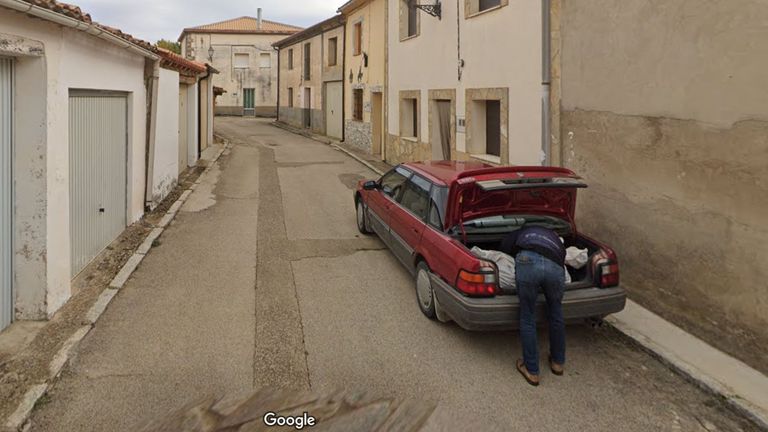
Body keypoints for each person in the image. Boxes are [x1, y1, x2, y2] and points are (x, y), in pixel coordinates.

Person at [500, 225, 566, 386]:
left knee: (528, 316)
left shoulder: (522, 232)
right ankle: (558, 363)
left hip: (527, 260)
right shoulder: (554, 237)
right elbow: (563, 256)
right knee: (556, 312)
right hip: (554, 265)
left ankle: (532, 370)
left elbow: (504, 246)